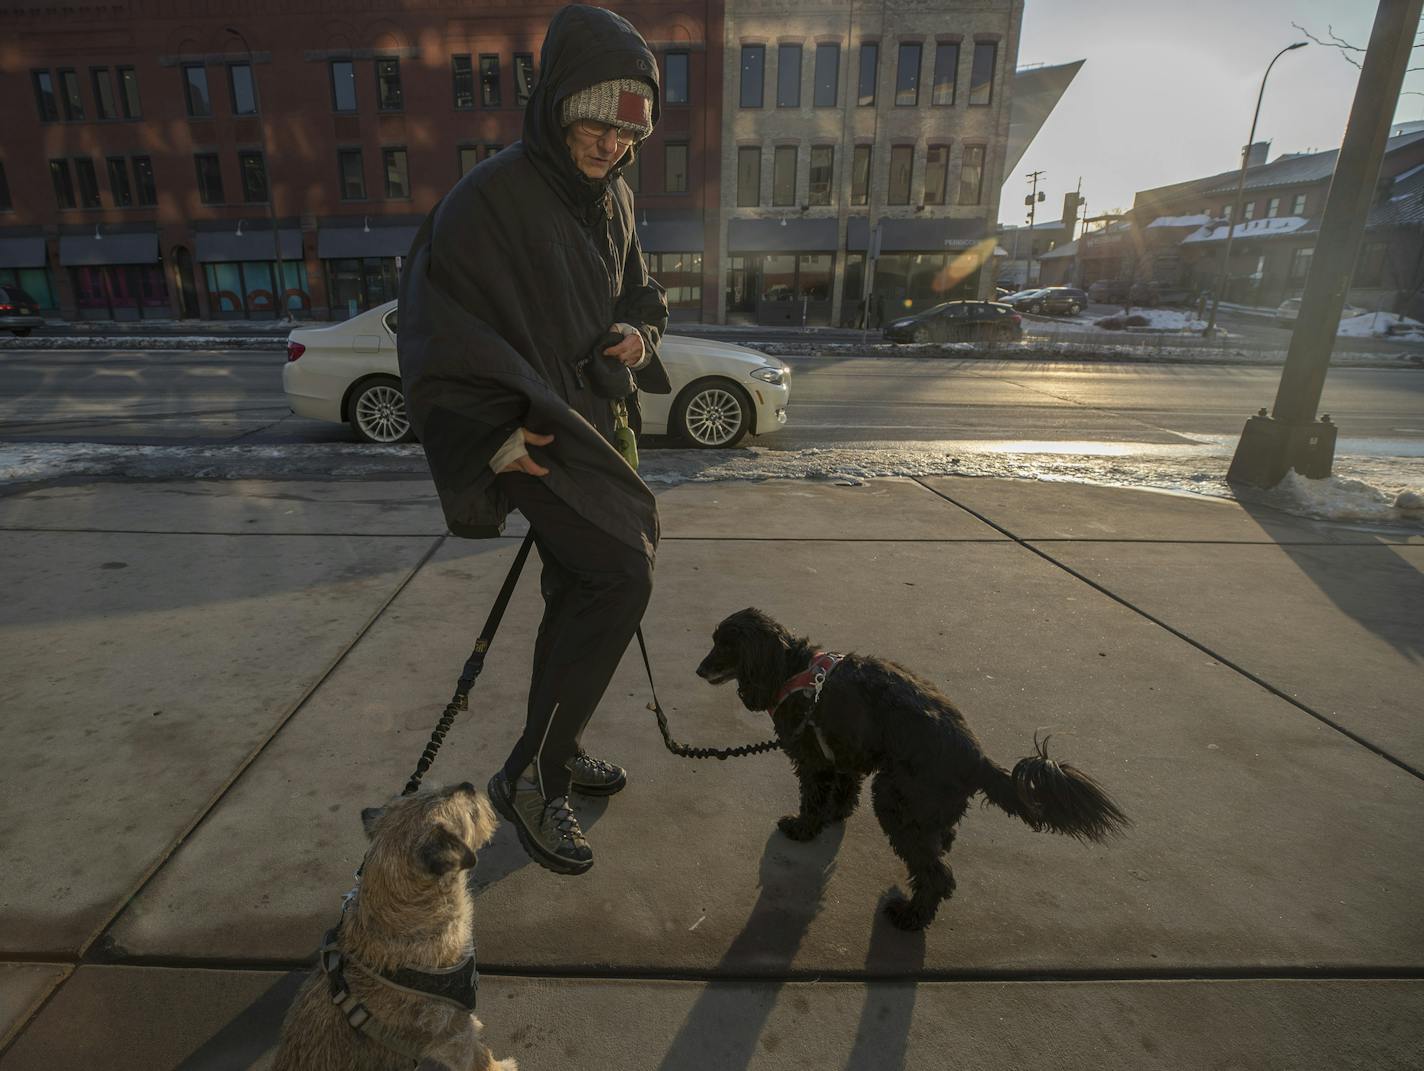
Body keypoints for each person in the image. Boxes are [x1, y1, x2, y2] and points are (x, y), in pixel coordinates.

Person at [397, 4, 671, 877]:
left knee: (579, 587)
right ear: (556, 104)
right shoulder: (490, 199)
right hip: (528, 435)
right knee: (620, 573)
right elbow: (433, 333)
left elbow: (639, 292)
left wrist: (638, 335)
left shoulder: (618, 196)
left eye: (628, 132)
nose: (610, 146)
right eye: (596, 122)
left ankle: (559, 740)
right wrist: (490, 447)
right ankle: (531, 776)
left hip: (599, 425)